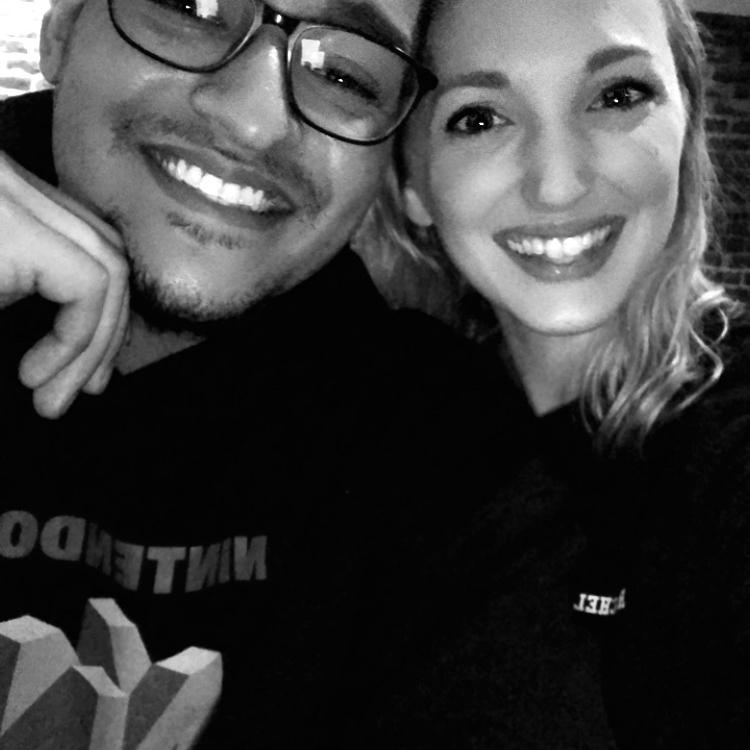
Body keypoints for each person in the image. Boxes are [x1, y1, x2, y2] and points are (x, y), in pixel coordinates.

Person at [0, 0, 507, 746]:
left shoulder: (452, 457)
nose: (254, 121)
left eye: (347, 75)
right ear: (62, 31)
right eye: (192, 6)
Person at [358, 0, 750, 746]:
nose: (558, 184)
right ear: (413, 187)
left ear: (687, 131)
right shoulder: (392, 429)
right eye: (479, 118)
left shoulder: (725, 455)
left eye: (618, 95)